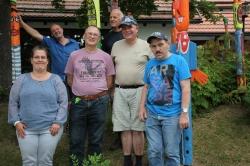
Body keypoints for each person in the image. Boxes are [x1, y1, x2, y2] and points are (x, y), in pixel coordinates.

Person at [8, 45, 68, 166]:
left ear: (47, 60)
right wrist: (16, 122)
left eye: (43, 57)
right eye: (36, 57)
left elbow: (63, 103)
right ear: (31, 60)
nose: (40, 59)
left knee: (45, 161)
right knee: (28, 162)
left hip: (51, 129)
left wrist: (58, 122)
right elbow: (13, 102)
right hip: (26, 129)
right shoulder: (21, 79)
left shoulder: (56, 80)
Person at [65, 26, 115, 165]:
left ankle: (93, 163)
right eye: (89, 34)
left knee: (96, 138)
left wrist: (97, 91)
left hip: (100, 101)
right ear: (84, 36)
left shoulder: (106, 57)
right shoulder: (74, 55)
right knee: (76, 138)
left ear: (99, 38)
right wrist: (81, 90)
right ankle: (77, 163)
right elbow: (70, 78)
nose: (92, 36)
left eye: (95, 35)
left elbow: (109, 80)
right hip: (79, 101)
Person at [139, 32, 191, 166]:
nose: (157, 49)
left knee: (171, 153)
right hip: (152, 115)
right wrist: (141, 107)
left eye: (160, 45)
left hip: (172, 115)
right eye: (153, 46)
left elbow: (186, 88)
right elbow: (146, 87)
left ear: (168, 44)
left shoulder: (179, 61)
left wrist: (184, 113)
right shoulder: (150, 64)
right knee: (154, 151)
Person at [111, 16, 152, 166]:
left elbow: (154, 67)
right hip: (120, 91)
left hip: (140, 90)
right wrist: (112, 89)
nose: (127, 30)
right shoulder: (116, 45)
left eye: (130, 27)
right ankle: (127, 160)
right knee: (124, 128)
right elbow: (112, 69)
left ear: (137, 28)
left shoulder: (146, 45)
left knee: (138, 128)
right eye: (124, 27)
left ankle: (139, 160)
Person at [19, 16, 80, 81]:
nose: (56, 31)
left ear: (62, 29)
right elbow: (36, 34)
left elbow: (80, 60)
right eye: (53, 31)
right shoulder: (50, 42)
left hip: (73, 78)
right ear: (52, 34)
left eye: (57, 29)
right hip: (58, 79)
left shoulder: (74, 44)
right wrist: (22, 23)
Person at [102, 8, 124, 151]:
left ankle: (132, 133)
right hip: (111, 77)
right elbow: (104, 56)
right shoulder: (108, 35)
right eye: (111, 17)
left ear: (121, 19)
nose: (112, 19)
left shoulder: (126, 33)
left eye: (115, 17)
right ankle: (119, 138)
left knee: (125, 108)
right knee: (115, 108)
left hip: (125, 77)